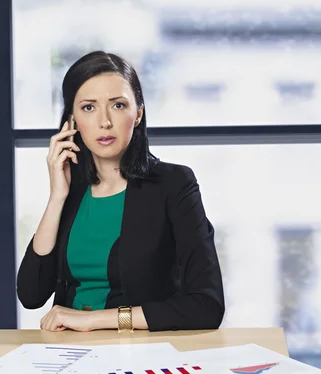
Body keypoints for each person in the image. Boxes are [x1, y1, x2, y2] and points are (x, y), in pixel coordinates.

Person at [16, 50, 224, 333]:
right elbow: (30, 294)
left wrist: (93, 320)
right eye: (88, 107)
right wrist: (57, 197)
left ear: (137, 113)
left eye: (117, 105)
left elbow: (207, 306)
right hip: (66, 351)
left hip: (137, 353)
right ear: (71, 121)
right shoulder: (71, 190)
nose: (104, 122)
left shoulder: (174, 184)